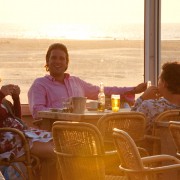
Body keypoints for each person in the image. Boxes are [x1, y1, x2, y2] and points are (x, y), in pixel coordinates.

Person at [28, 43, 147, 119]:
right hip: (54, 131)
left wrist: (134, 89)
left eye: (62, 59)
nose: (57, 61)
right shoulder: (39, 84)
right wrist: (64, 112)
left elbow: (103, 91)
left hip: (82, 130)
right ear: (47, 62)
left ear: (66, 63)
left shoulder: (76, 82)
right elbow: (37, 112)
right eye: (53, 58)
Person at [0, 84, 58, 180]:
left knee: (59, 146)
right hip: (10, 140)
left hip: (20, 134)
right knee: (55, 152)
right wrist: (1, 94)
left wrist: (15, 98)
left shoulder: (4, 102)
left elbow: (16, 118)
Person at [132, 61, 180, 134]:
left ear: (164, 83)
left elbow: (130, 124)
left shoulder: (150, 106)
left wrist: (142, 98)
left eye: (159, 79)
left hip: (149, 144)